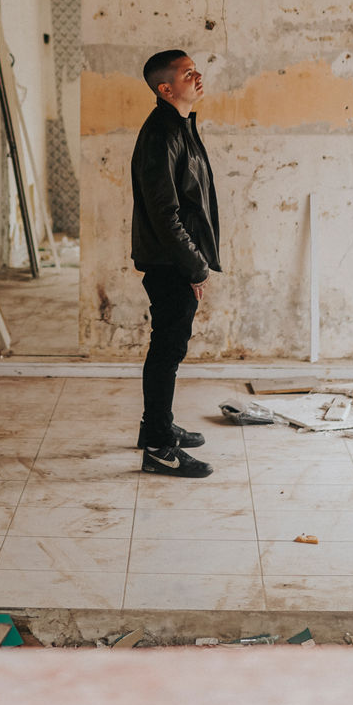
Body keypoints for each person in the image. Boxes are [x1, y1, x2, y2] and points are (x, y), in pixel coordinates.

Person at [131, 49, 220, 477]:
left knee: (168, 349)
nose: (197, 77)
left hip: (176, 259)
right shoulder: (162, 135)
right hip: (170, 262)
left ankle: (156, 428)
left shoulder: (178, 126)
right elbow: (166, 214)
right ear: (166, 88)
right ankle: (159, 449)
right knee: (166, 353)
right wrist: (194, 267)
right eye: (188, 74)